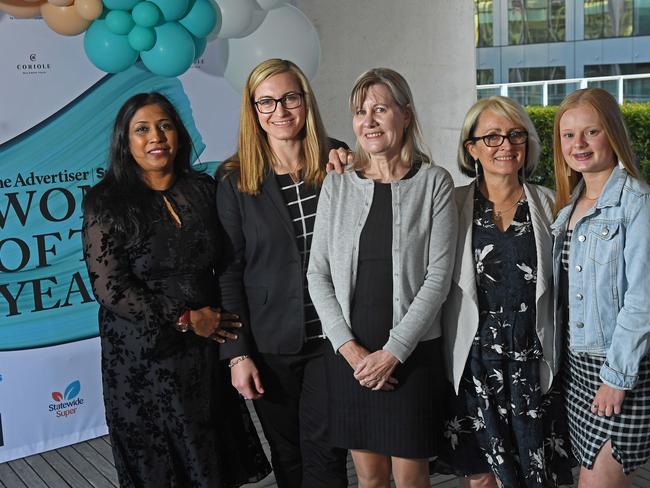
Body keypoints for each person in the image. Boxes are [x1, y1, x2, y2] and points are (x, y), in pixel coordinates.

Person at [82, 92, 270, 488]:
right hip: (143, 356)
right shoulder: (107, 200)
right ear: (125, 140)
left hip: (205, 349)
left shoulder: (203, 188)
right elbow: (110, 287)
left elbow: (227, 257)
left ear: (179, 135)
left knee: (211, 456)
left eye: (165, 126)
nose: (156, 137)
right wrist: (185, 319)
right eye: (142, 129)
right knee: (162, 467)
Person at [307, 67, 457, 488]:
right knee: (370, 479)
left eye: (380, 109)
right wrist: (350, 351)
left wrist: (393, 352)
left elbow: (438, 278)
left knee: (412, 478)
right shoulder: (337, 184)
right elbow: (317, 273)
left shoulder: (434, 183)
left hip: (409, 356)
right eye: (359, 111)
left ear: (405, 115)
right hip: (349, 356)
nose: (368, 121)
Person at [216, 59, 348, 488]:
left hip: (335, 336)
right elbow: (229, 270)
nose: (280, 110)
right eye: (267, 101)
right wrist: (237, 353)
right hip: (273, 342)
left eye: (290, 97)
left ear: (305, 101)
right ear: (253, 110)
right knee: (289, 454)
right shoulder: (235, 179)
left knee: (327, 451)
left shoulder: (339, 162)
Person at [440, 96, 574, 487]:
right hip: (474, 357)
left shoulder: (551, 203)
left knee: (537, 473)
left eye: (516, 134)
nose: (507, 145)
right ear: (472, 148)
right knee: (482, 476)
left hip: (532, 357)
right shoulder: (452, 203)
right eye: (493, 136)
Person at [551, 87, 650, 488]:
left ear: (612, 133)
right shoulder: (568, 207)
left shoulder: (636, 202)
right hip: (576, 370)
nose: (579, 144)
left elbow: (643, 299)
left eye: (591, 132)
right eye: (568, 135)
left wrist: (617, 377)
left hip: (616, 368)